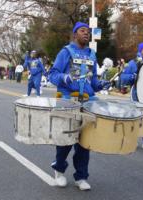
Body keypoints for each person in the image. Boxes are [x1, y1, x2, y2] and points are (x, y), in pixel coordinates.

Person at [48, 22, 110, 190]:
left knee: (85, 142)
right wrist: (64, 78)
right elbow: (52, 75)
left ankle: (81, 176)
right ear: (75, 34)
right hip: (68, 101)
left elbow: (93, 82)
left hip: (88, 102)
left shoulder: (92, 54)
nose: (86, 34)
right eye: (83, 31)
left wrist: (101, 84)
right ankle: (59, 170)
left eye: (88, 32)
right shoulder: (65, 52)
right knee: (65, 140)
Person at [120, 42, 143, 150]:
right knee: (136, 117)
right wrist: (133, 76)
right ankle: (132, 139)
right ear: (141, 50)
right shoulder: (133, 63)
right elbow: (124, 77)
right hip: (136, 93)